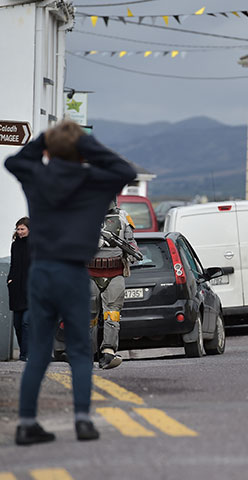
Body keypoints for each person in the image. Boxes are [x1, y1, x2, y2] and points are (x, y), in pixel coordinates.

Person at [4, 120, 136, 445]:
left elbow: (13, 161)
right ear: (81, 152)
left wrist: (45, 140)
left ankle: (26, 424)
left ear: (49, 150)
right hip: (75, 271)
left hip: (41, 271)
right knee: (79, 350)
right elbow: (123, 169)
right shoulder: (93, 181)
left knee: (38, 352)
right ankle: (82, 420)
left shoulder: (38, 177)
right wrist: (83, 144)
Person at [89, 201, 139, 369]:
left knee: (112, 314)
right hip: (89, 272)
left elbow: (131, 243)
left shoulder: (122, 217)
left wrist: (132, 253)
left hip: (115, 272)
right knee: (89, 316)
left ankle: (108, 351)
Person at [7, 217, 31, 361]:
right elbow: (13, 265)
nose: (20, 231)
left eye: (22, 229)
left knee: (26, 322)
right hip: (16, 289)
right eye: (18, 229)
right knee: (17, 324)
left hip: (31, 289)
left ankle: (25, 355)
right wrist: (10, 279)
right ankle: (24, 351)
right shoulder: (15, 245)